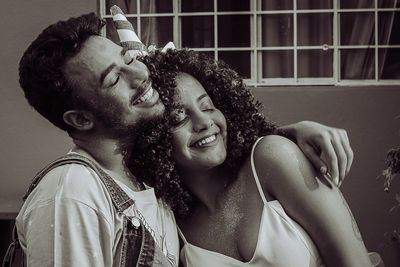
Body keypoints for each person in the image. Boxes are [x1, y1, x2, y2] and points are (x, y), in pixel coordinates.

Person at [8, 11, 354, 267]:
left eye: (129, 59)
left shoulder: (152, 191)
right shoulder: (74, 192)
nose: (139, 75)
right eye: (115, 78)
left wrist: (282, 137)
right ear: (81, 119)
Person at [126, 49, 372, 266]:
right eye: (179, 118)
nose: (204, 123)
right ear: (153, 138)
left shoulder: (272, 159)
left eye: (208, 106)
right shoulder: (171, 224)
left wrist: (284, 134)